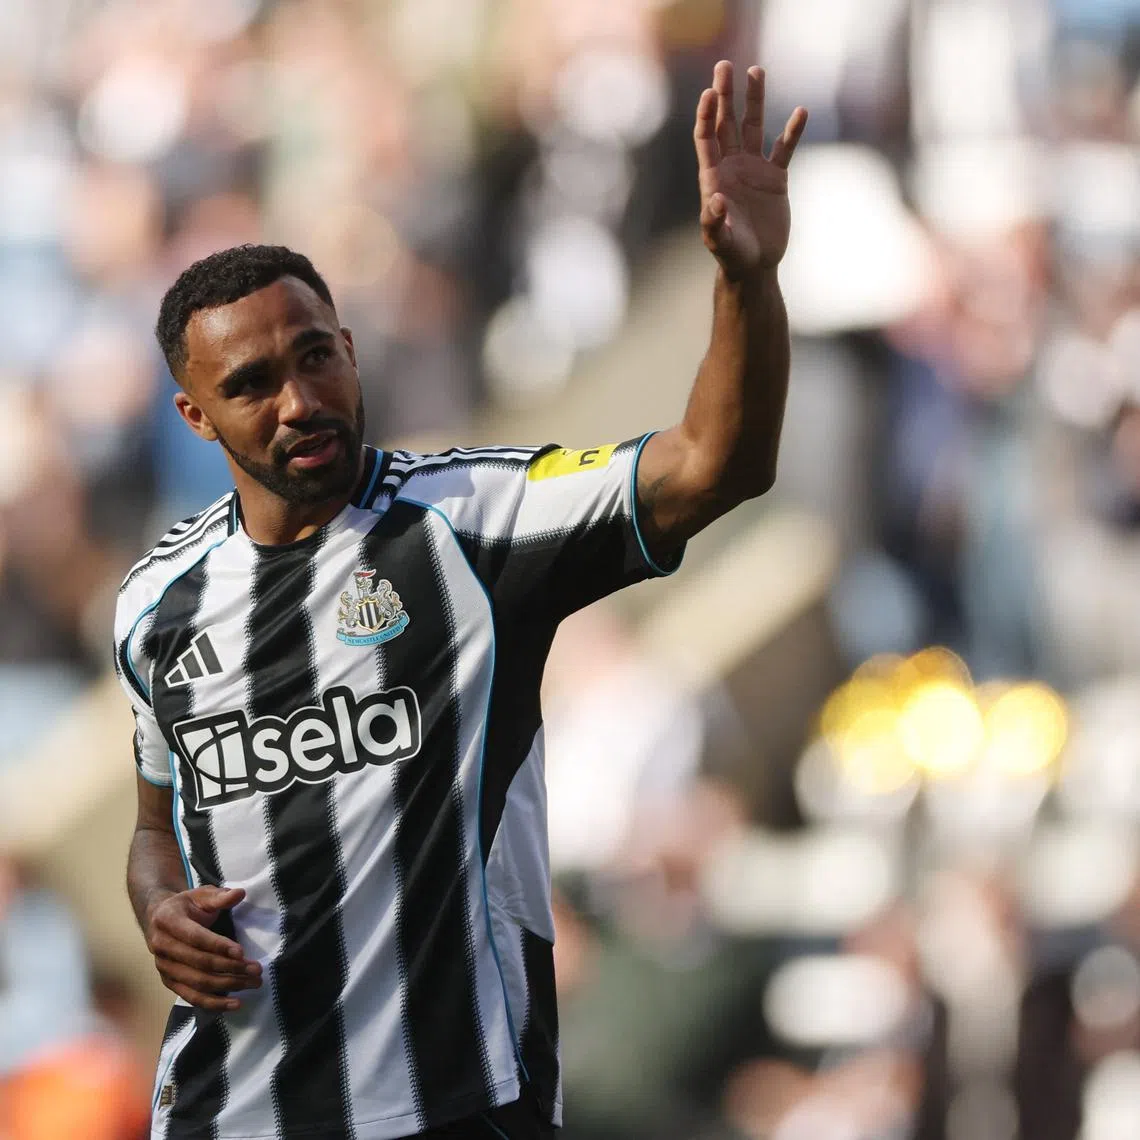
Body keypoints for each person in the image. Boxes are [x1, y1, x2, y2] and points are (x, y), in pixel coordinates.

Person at [113, 61, 807, 1140]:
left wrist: (747, 281)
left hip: (455, 1106)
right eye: (251, 385)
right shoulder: (158, 605)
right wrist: (159, 906)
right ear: (195, 417)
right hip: (230, 1110)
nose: (298, 402)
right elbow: (161, 829)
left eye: (314, 359)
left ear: (349, 352)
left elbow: (720, 461)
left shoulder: (477, 522)